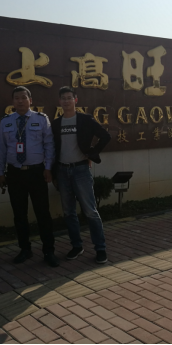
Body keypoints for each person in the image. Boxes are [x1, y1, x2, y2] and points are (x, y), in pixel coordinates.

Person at [0, 86, 59, 267]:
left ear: (30, 100)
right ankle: (25, 249)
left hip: (36, 172)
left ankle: (49, 251)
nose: (20, 101)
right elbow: (0, 149)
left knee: (43, 213)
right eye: (16, 98)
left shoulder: (41, 119)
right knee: (19, 214)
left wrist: (48, 168)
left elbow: (49, 145)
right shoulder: (6, 122)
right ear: (12, 101)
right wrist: (0, 172)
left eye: (24, 97)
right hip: (14, 173)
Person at [52, 86, 111, 264]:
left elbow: (105, 136)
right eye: (63, 98)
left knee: (90, 211)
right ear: (59, 101)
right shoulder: (56, 124)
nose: (66, 101)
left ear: (75, 100)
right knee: (69, 213)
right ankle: (77, 246)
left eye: (69, 98)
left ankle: (100, 248)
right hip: (62, 171)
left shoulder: (85, 120)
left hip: (80, 171)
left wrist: (91, 154)